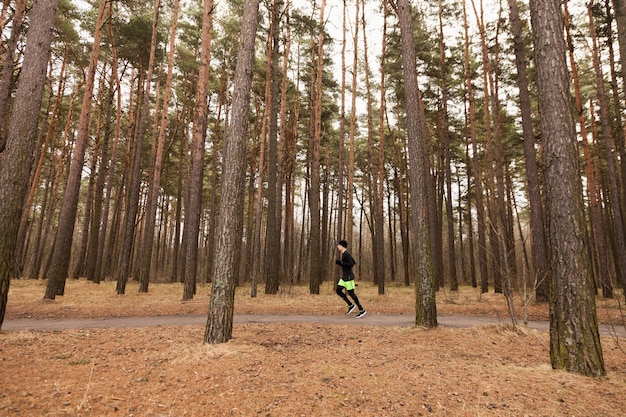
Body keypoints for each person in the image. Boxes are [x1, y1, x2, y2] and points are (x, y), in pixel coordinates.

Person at [335, 240, 366, 318]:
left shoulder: (346, 254)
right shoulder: (344, 254)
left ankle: (361, 310)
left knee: (351, 294)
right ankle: (350, 305)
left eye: (339, 245)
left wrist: (341, 263)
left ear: (342, 246)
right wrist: (341, 264)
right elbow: (353, 262)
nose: (338, 247)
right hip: (344, 277)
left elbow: (351, 264)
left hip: (349, 277)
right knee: (338, 290)